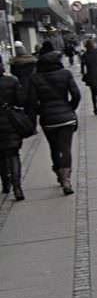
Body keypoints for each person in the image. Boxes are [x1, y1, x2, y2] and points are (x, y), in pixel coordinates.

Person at [25, 43, 80, 195]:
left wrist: (38, 114)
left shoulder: (35, 78)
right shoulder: (65, 74)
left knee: (54, 147)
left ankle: (58, 172)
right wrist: (70, 108)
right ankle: (67, 179)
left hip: (48, 118)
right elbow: (76, 95)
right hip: (66, 117)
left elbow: (32, 101)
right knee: (66, 148)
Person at [0, 59, 27, 200]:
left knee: (1, 156)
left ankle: (5, 183)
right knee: (13, 155)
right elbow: (20, 100)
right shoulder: (12, 81)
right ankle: (17, 187)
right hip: (10, 122)